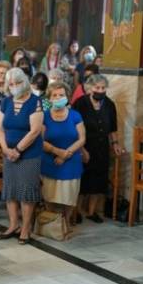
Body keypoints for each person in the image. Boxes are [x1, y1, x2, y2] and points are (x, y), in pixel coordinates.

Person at [0, 67, 44, 244]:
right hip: (8, 154)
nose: (14, 86)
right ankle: (13, 225)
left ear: (24, 82)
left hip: (29, 154)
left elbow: (35, 131)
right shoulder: (6, 102)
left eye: (17, 83)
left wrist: (17, 150)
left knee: (26, 192)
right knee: (10, 191)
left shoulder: (35, 101)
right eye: (11, 84)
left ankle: (25, 229)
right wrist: (6, 149)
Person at [73, 74, 123, 224]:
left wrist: (115, 144)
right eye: (97, 88)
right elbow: (74, 129)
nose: (100, 90)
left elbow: (112, 128)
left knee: (98, 181)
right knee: (82, 181)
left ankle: (91, 211)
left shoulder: (109, 104)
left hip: (101, 148)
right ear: (89, 88)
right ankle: (76, 211)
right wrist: (81, 150)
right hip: (84, 147)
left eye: (103, 88)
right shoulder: (80, 103)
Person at [41, 82, 85, 226]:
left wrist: (67, 153)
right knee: (49, 195)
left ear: (68, 97)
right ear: (49, 98)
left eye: (62, 95)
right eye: (55, 95)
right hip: (50, 161)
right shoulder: (44, 116)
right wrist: (57, 152)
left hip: (71, 161)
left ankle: (65, 222)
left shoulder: (75, 115)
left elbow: (82, 138)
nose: (58, 98)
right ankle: (53, 222)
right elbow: (40, 141)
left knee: (69, 197)